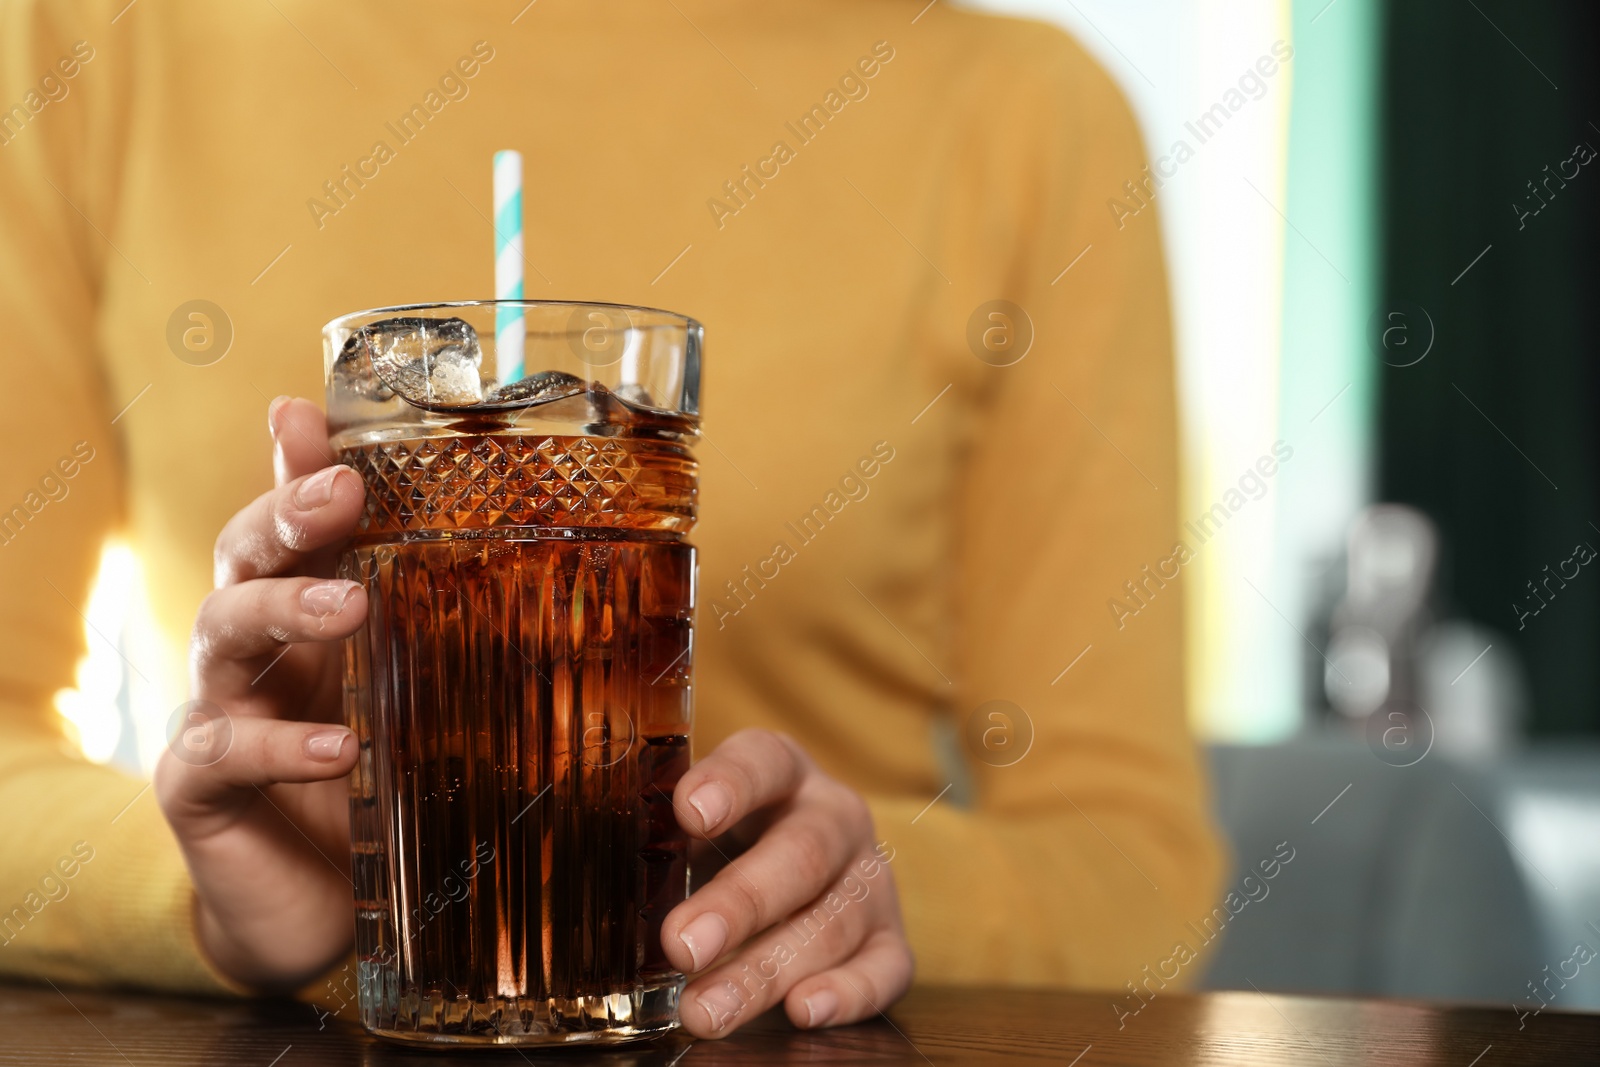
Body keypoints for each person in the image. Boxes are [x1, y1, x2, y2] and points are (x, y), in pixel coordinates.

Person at [0, 0, 1222, 1040]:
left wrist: (815, 889)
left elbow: (1132, 871)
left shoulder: (1020, 116)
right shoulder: (89, 41)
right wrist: (220, 887)